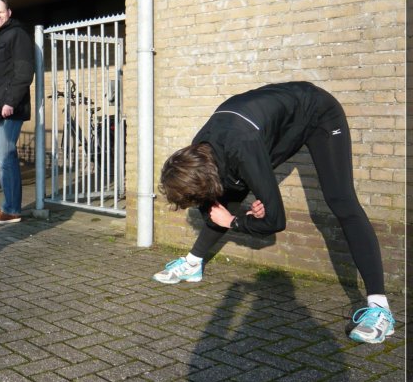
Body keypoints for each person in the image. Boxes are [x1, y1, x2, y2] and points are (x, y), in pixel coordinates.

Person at [154, 81, 394, 344]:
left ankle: (379, 308)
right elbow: (210, 203)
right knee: (227, 195)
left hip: (318, 113)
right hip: (274, 124)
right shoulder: (199, 150)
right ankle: (192, 263)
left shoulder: (242, 148)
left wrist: (235, 222)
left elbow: (276, 221)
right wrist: (233, 212)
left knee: (341, 201)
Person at [0, 0, 34, 224]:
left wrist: (10, 102)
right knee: (3, 159)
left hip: (11, 109)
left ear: (9, 12)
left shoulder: (17, 35)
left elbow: (23, 73)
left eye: (0, 12)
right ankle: (8, 205)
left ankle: (12, 210)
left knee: (6, 157)